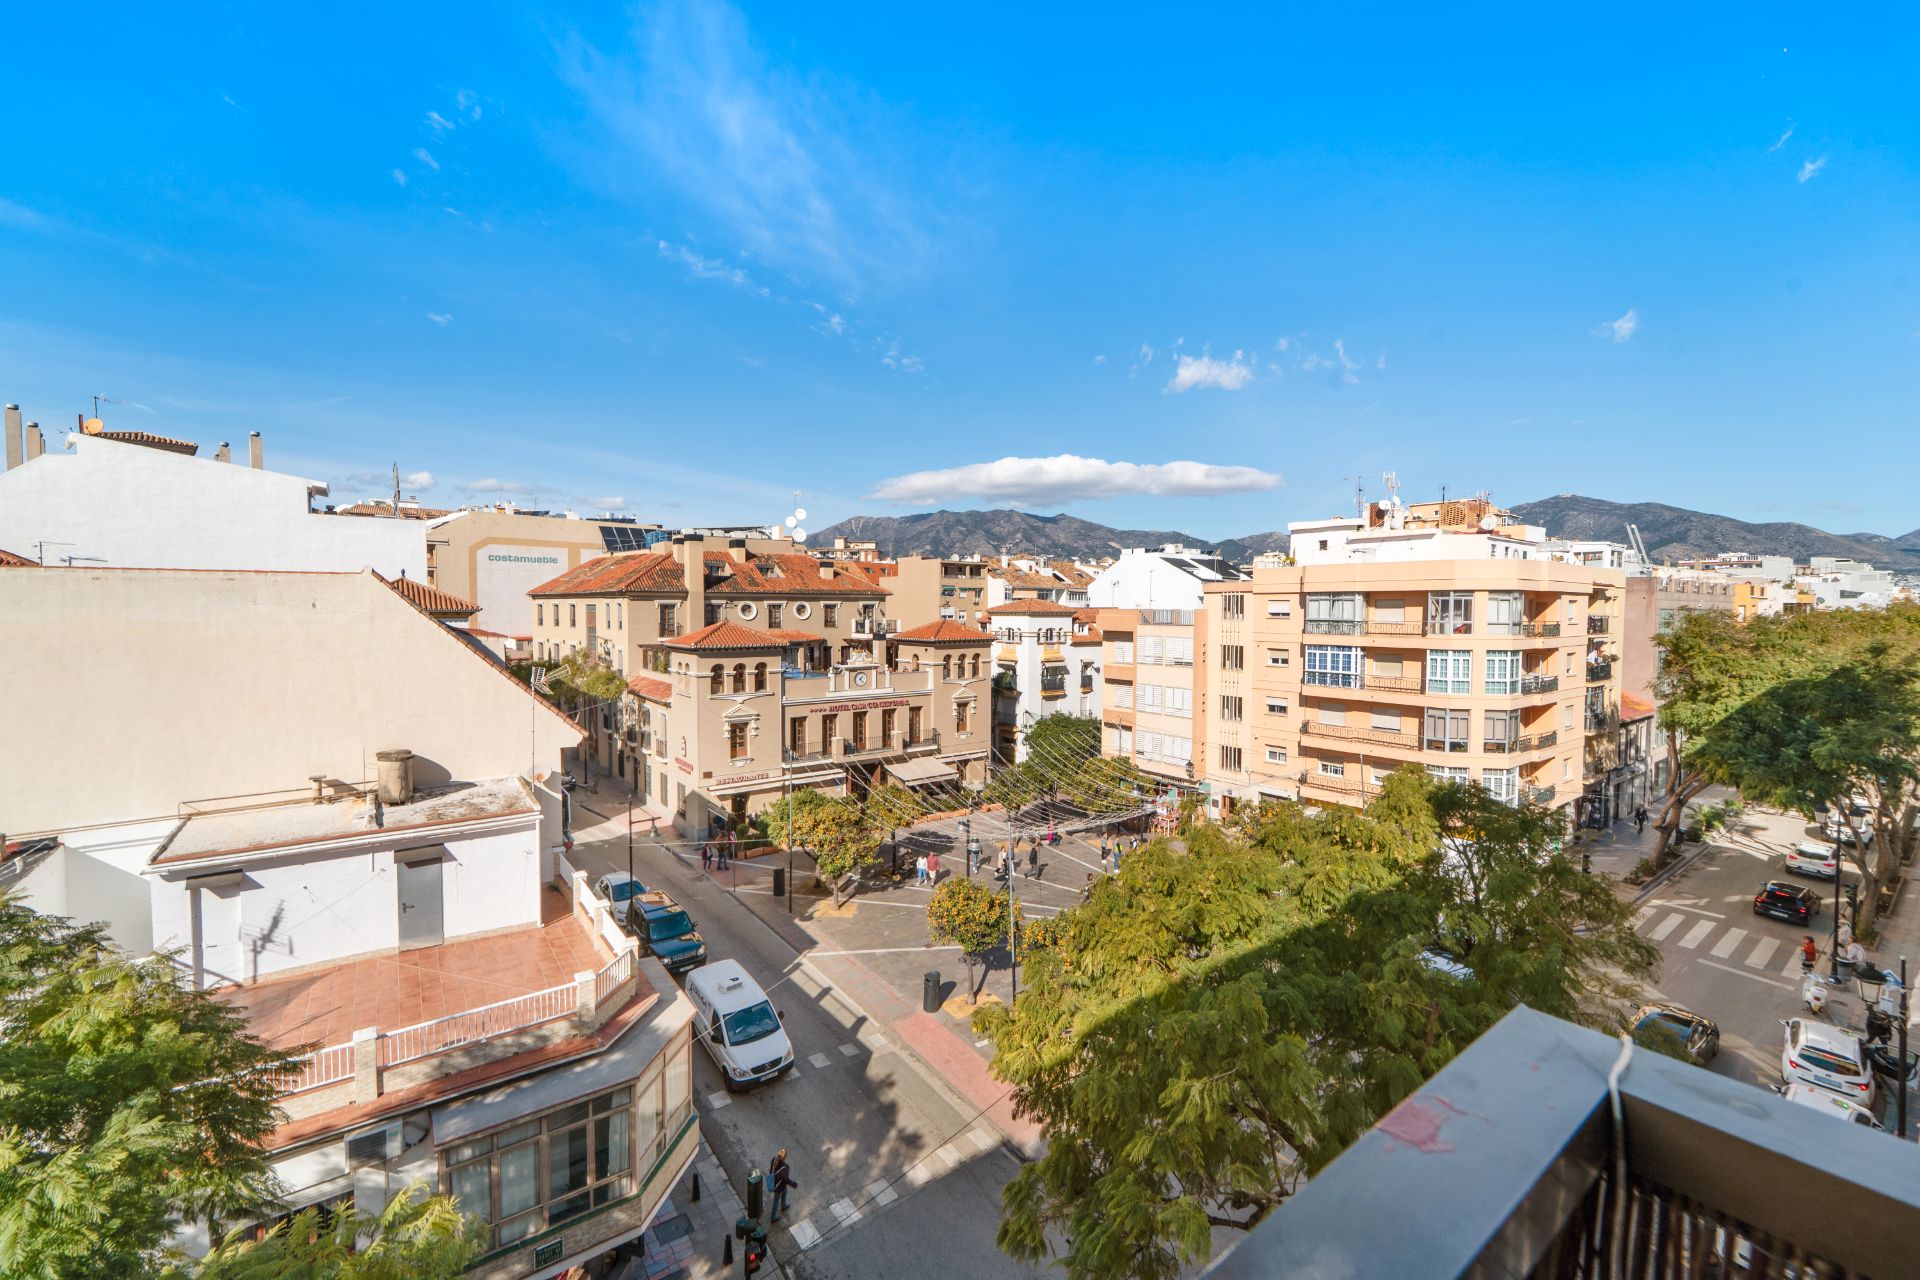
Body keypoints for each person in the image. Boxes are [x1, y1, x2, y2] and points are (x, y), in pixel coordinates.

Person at [768, 1148, 797, 1223]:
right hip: (779, 1187)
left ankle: (783, 1205)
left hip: (775, 1183)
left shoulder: (774, 1160)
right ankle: (773, 1217)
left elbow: (771, 1170)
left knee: (785, 1192)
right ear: (785, 1157)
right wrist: (794, 1184)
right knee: (776, 1201)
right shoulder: (785, 1168)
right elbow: (786, 1180)